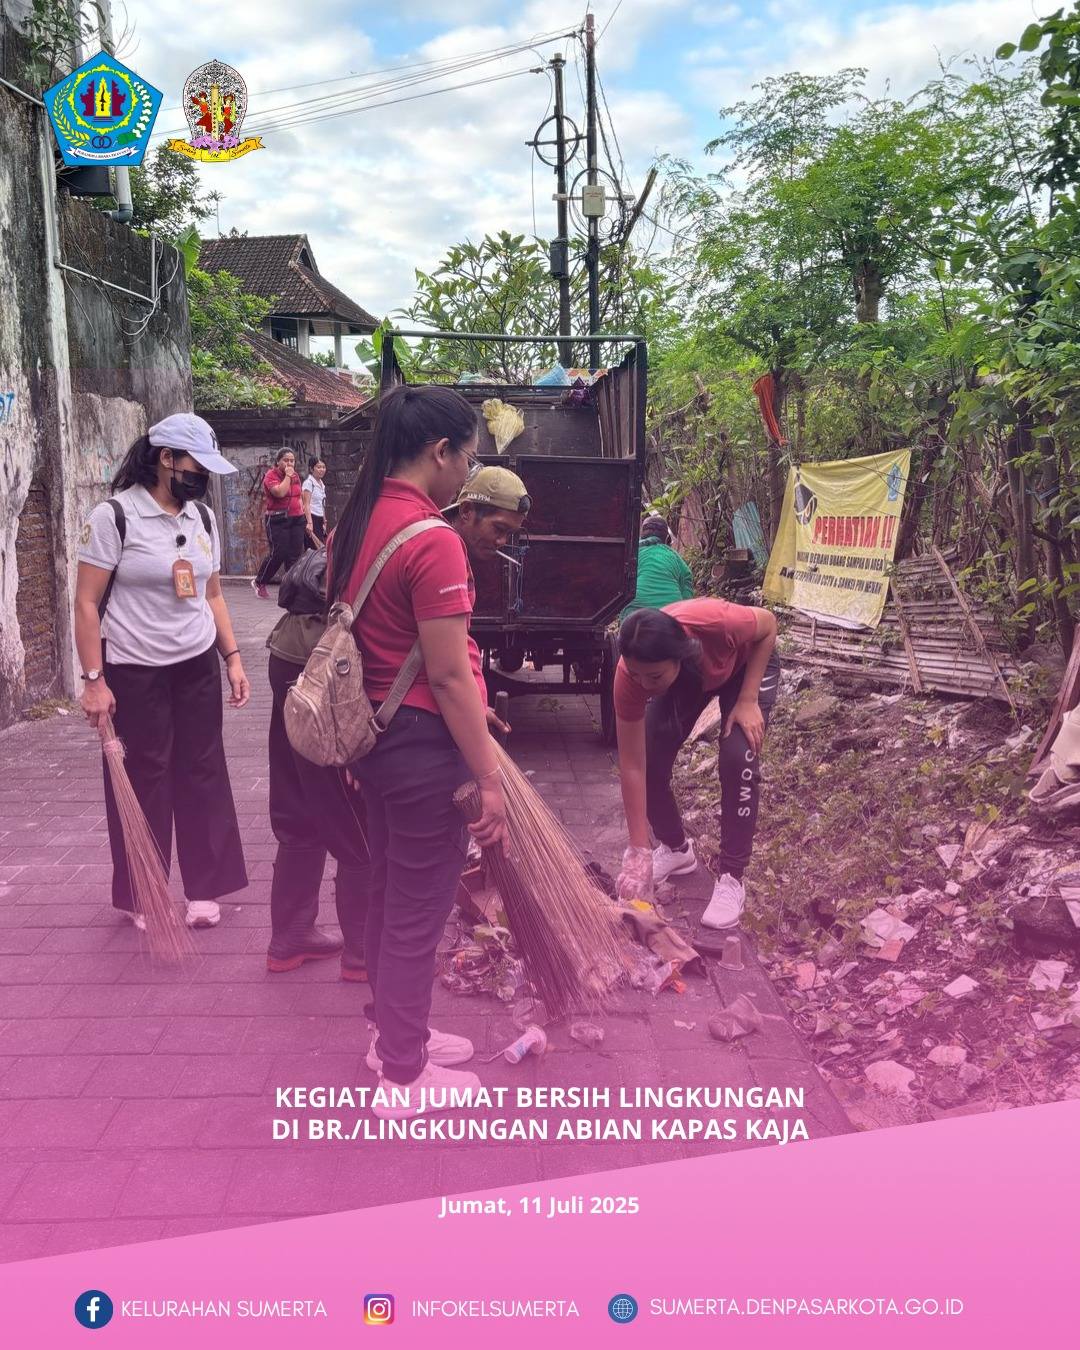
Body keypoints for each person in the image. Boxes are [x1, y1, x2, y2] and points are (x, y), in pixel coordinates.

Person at [328, 383, 506, 1119]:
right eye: (468, 459)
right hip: (423, 749)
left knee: (386, 892)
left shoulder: (356, 522)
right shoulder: (432, 539)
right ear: (440, 452)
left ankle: (392, 1036)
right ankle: (403, 1077)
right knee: (415, 909)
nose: (467, 473)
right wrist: (489, 778)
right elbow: (448, 675)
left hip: (372, 739)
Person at [73, 413, 250, 930]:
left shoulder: (203, 519)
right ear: (165, 458)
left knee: (203, 770)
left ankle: (204, 890)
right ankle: (144, 892)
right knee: (144, 776)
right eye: (195, 467)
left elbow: (212, 594)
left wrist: (232, 658)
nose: (202, 478)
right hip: (134, 669)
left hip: (196, 664)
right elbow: (86, 604)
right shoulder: (114, 517)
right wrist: (93, 681)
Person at [613, 598, 779, 930]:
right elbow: (632, 765)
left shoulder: (717, 623)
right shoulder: (632, 676)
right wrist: (638, 850)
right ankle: (677, 850)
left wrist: (748, 699)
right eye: (637, 675)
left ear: (679, 655)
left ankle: (732, 878)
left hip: (746, 667)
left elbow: (768, 625)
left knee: (737, 757)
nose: (644, 686)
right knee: (651, 757)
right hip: (688, 679)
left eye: (653, 676)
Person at [264, 547, 370, 979]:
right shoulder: (401, 525)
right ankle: (364, 954)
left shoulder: (350, 525)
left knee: (297, 807)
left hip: (289, 653)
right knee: (356, 822)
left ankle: (290, 938)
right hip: (331, 665)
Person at [252, 449, 304, 599]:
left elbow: (299, 496)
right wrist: (287, 476)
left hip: (297, 518)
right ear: (278, 461)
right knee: (278, 553)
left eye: (292, 460)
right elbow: (280, 493)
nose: (289, 463)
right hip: (277, 519)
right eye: (286, 460)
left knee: (294, 555)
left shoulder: (296, 476)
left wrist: (305, 518)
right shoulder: (271, 476)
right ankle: (260, 582)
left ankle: (290, 588)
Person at [620, 514, 694, 620]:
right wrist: (684, 612)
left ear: (641, 535)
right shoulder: (674, 556)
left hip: (635, 610)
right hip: (671, 611)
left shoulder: (631, 553)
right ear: (667, 538)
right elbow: (687, 580)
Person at [302, 458, 328, 549]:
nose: (322, 470)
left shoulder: (321, 484)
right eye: (318, 467)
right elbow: (306, 504)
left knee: (320, 547)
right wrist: (310, 523)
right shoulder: (309, 483)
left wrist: (324, 521)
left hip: (319, 519)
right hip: (311, 518)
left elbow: (321, 504)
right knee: (313, 548)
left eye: (323, 467)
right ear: (311, 469)